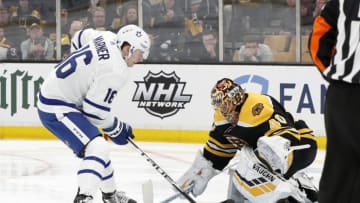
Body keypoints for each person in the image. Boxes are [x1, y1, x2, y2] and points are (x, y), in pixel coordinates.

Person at [36, 24, 151, 203]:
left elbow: (78, 37)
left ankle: (110, 195)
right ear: (128, 49)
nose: (142, 59)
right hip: (56, 105)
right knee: (98, 147)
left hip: (57, 93)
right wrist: (117, 128)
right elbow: (94, 113)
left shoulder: (107, 37)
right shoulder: (116, 71)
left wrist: (78, 77)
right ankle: (84, 197)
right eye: (140, 54)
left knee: (97, 148)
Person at [177, 78, 318, 202]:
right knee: (246, 165)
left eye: (225, 105)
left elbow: (285, 141)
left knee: (252, 163)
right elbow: (218, 152)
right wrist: (202, 170)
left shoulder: (258, 105)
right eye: (219, 106)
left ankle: (296, 190)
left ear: (236, 99)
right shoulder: (222, 120)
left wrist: (265, 168)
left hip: (300, 145)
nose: (223, 111)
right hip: (273, 154)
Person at [309, 1, 360, 203]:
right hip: (345, 93)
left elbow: (318, 38)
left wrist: (335, 75)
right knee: (340, 167)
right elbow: (319, 36)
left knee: (340, 169)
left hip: (344, 93)